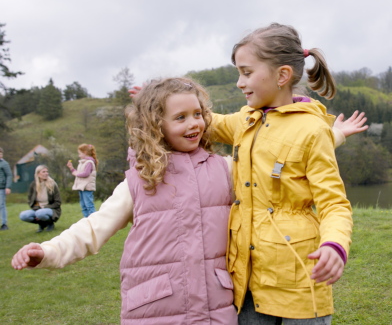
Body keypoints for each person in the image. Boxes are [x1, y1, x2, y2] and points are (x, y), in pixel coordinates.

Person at [12, 78, 239, 324]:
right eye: (180, 117)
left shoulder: (225, 170)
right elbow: (93, 229)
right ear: (155, 125)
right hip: (155, 310)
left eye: (198, 114)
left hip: (214, 310)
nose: (194, 123)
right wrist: (48, 251)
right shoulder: (140, 181)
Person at [211, 23, 355, 324]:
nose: (239, 82)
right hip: (248, 277)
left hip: (301, 278)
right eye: (238, 73)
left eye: (247, 72)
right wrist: (161, 100)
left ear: (282, 75)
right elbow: (206, 123)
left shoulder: (313, 130)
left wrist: (335, 245)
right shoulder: (244, 121)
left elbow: (334, 204)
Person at [19, 165, 62, 232]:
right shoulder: (33, 185)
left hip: (51, 209)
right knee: (23, 215)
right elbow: (30, 201)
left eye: (47, 172)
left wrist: (44, 207)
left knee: (40, 213)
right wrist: (37, 208)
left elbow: (58, 202)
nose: (46, 173)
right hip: (37, 209)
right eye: (43, 172)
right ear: (38, 174)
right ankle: (42, 224)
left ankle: (50, 223)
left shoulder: (52, 184)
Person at [66, 143, 98, 217]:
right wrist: (71, 168)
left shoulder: (89, 163)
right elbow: (78, 172)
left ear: (85, 153)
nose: (79, 155)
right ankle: (86, 220)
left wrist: (75, 174)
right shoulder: (82, 162)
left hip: (87, 187)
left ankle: (93, 220)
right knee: (83, 205)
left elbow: (85, 174)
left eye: (79, 153)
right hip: (81, 187)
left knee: (89, 205)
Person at [0, 146, 12, 231]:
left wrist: (7, 186)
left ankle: (4, 224)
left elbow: (9, 175)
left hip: (1, 187)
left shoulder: (4, 164)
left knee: (1, 205)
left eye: (0, 153)